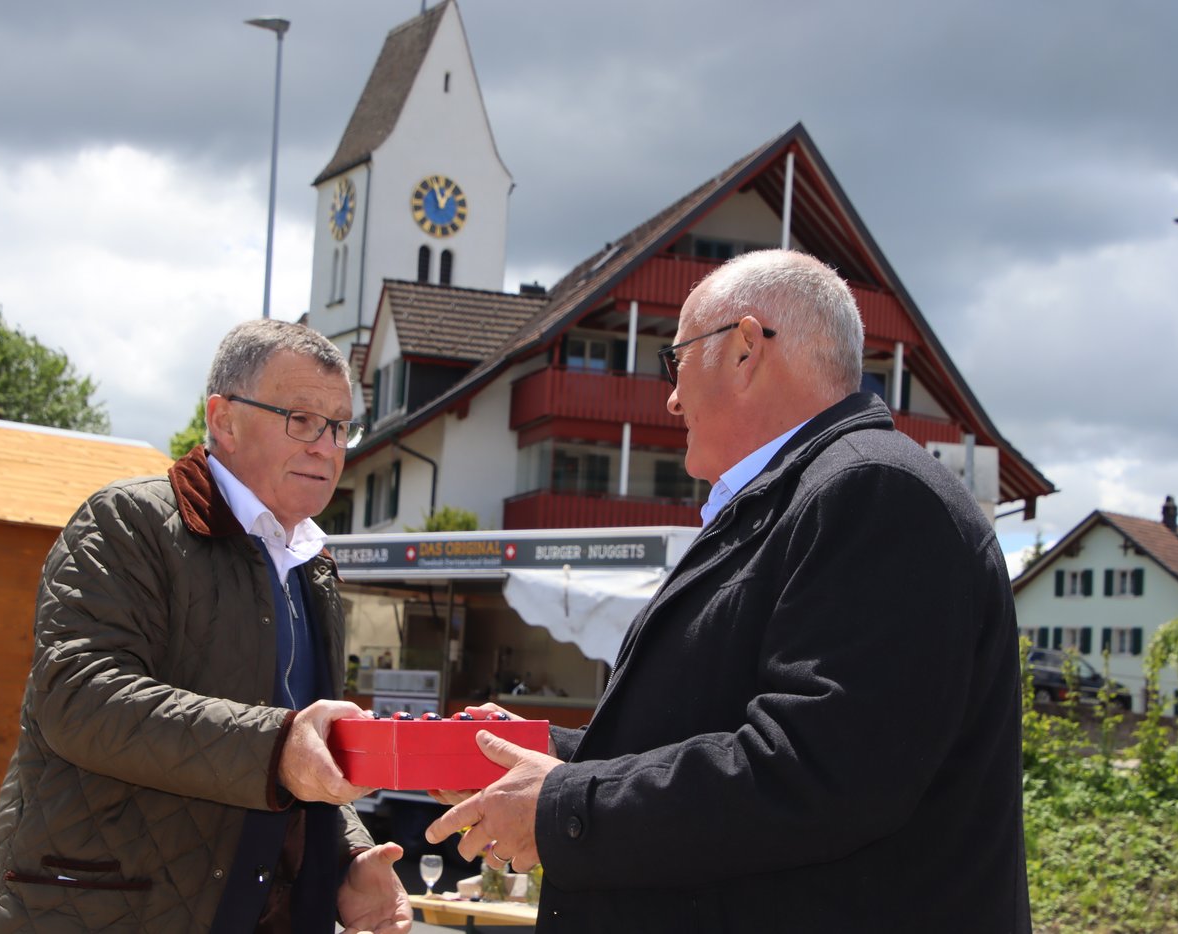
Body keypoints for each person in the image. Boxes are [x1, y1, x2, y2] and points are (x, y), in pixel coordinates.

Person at [428, 250, 1032, 932]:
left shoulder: (873, 493)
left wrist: (563, 804)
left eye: (676, 359)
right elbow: (715, 732)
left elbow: (816, 773)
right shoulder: (811, 495)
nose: (672, 397)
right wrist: (545, 757)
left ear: (745, 348)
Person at [0, 320, 412, 934]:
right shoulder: (126, 521)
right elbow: (78, 700)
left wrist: (351, 855)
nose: (326, 446)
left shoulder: (313, 566)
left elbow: (295, 740)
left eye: (340, 426)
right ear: (223, 419)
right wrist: (278, 748)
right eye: (301, 419)